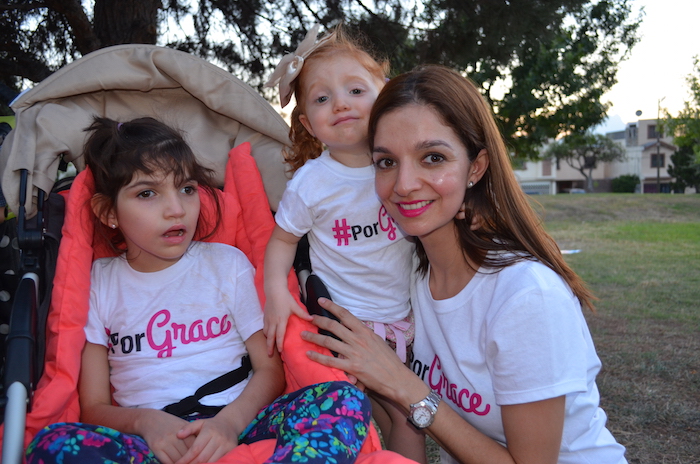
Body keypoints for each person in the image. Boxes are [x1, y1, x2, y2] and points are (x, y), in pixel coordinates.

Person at [302, 65, 629, 464]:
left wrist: (404, 385)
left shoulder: (525, 296)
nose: (403, 184)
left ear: (475, 167)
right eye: (386, 162)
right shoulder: (412, 276)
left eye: (432, 158)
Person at [25, 116, 373, 464]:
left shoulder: (226, 264)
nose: (176, 209)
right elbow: (94, 406)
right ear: (108, 212)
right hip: (151, 442)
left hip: (241, 422)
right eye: (147, 193)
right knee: (53, 443)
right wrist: (145, 422)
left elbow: (270, 371)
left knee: (344, 399)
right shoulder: (99, 283)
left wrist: (228, 424)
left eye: (187, 189)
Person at [262, 24, 423, 462]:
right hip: (345, 328)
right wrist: (276, 292)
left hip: (406, 319)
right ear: (307, 124)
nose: (340, 104)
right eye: (321, 98)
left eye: (355, 89)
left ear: (384, 95)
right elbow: (281, 241)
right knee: (373, 417)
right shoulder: (312, 183)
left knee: (406, 414)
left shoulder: (398, 165)